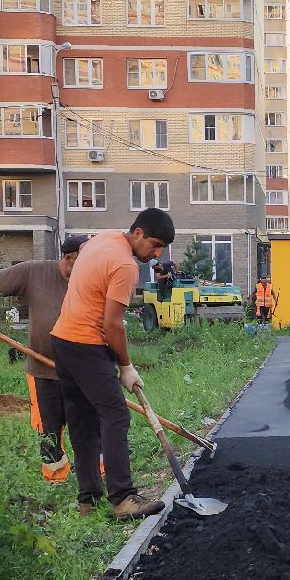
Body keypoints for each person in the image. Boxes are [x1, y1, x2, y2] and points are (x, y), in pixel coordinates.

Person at [52, 210, 177, 519]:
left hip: (62, 341)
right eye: (155, 244)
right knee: (116, 414)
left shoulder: (103, 238)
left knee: (82, 422)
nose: (157, 254)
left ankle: (88, 500)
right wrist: (126, 366)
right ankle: (122, 498)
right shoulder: (124, 265)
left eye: (162, 248)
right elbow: (113, 324)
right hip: (87, 344)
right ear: (138, 233)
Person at [0, 235, 87, 485]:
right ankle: (56, 480)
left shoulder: (88, 280)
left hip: (80, 370)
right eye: (85, 260)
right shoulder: (35, 271)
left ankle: (96, 476)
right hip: (42, 370)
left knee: (87, 425)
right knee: (48, 428)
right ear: (69, 258)